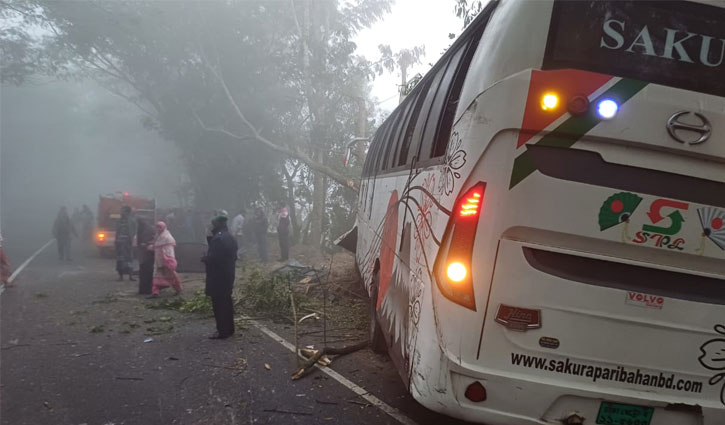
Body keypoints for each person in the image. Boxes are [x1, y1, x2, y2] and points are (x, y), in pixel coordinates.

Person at [202, 214, 238, 339]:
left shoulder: (217, 239)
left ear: (216, 225)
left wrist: (205, 259)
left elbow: (214, 259)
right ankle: (229, 328)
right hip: (228, 274)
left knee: (219, 304)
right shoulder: (230, 237)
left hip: (218, 277)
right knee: (227, 302)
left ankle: (222, 330)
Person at [149, 221, 182, 298]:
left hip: (166, 261)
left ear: (164, 227)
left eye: (160, 227)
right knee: (156, 276)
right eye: (157, 227)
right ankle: (155, 293)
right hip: (158, 261)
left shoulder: (167, 237)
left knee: (172, 276)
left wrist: (169, 260)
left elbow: (170, 251)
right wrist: (152, 247)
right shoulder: (157, 236)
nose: (158, 229)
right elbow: (156, 246)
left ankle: (178, 289)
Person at [115, 206, 137, 281]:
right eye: (122, 211)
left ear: (128, 212)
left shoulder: (132, 221)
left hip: (128, 244)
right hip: (120, 243)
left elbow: (134, 231)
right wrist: (116, 241)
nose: (122, 213)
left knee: (129, 259)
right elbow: (117, 232)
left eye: (123, 211)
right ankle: (120, 276)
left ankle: (130, 276)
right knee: (120, 260)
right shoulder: (119, 221)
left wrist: (131, 240)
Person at [136, 218, 155, 295]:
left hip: (147, 255)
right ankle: (145, 289)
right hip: (145, 255)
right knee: (145, 273)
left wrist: (145, 244)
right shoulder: (146, 228)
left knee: (146, 273)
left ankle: (145, 290)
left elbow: (145, 242)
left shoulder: (146, 230)